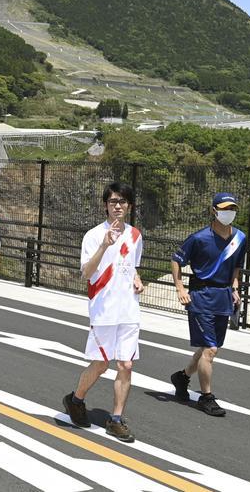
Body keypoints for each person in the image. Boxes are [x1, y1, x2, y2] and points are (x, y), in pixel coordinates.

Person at [62, 182, 144, 443]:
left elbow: (131, 266)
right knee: (101, 364)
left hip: (129, 310)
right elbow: (86, 273)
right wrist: (104, 246)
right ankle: (76, 399)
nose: (117, 206)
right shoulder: (93, 235)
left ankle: (116, 419)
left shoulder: (135, 235)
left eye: (122, 202)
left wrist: (137, 278)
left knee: (126, 364)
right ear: (105, 205)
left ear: (129, 206)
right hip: (104, 310)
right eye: (112, 202)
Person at [169, 192, 246, 417]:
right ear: (214, 211)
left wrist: (234, 287)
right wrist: (180, 287)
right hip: (201, 295)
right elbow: (176, 259)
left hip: (223, 296)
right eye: (223, 209)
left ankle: (182, 377)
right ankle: (206, 397)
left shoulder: (240, 238)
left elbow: (236, 266)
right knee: (210, 349)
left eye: (231, 209)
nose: (228, 213)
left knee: (207, 349)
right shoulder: (200, 238)